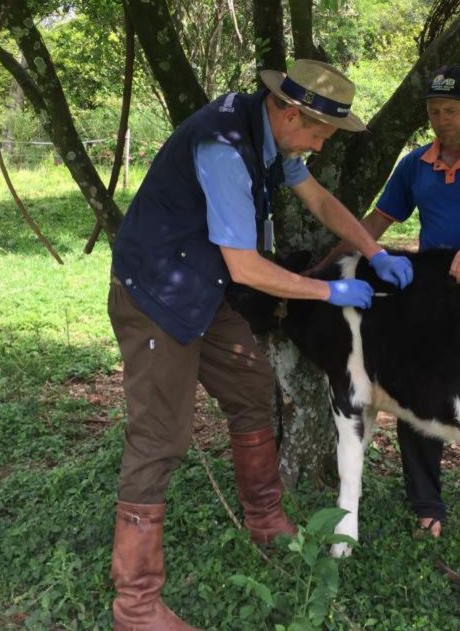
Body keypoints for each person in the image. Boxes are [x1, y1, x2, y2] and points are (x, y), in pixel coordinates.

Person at [107, 59, 414, 629]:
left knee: (251, 387)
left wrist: (374, 251)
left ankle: (266, 520)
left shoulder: (269, 136)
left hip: (202, 286)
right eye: (320, 132)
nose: (321, 146)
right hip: (157, 294)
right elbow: (246, 267)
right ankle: (136, 606)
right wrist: (328, 289)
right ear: (291, 112)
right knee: (160, 438)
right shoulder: (225, 149)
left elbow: (318, 199)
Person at [317, 65, 460, 538]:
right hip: (432, 292)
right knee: (413, 388)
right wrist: (326, 266)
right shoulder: (415, 164)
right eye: (434, 111)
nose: (441, 119)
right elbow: (377, 222)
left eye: (451, 109)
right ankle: (428, 506)